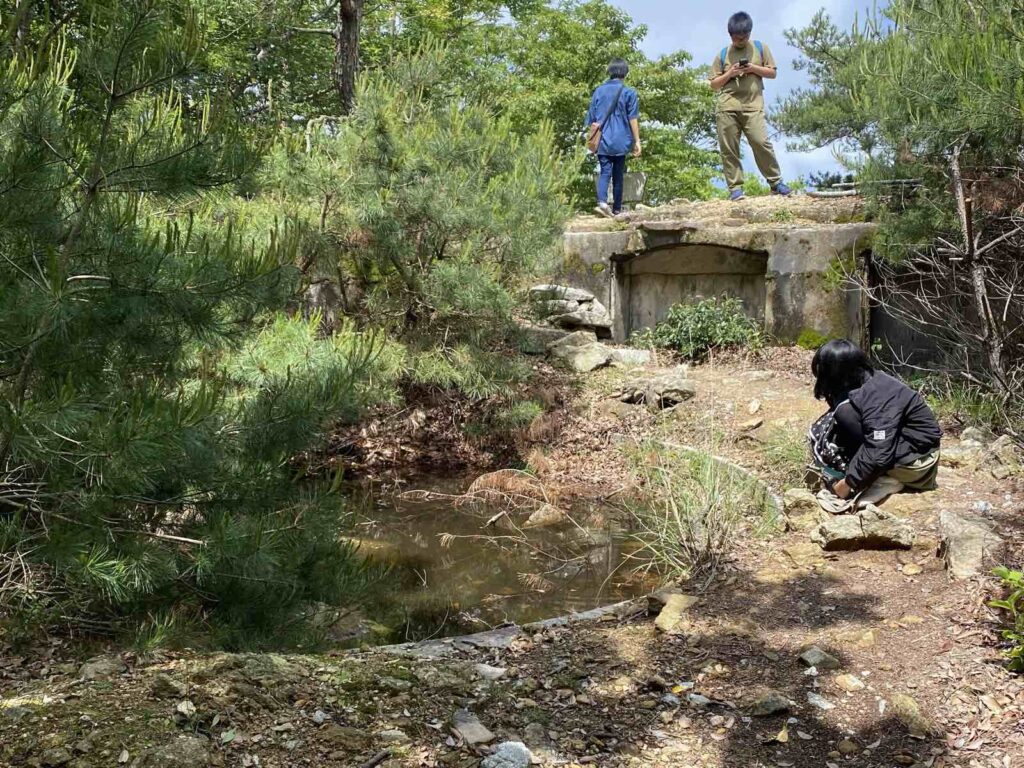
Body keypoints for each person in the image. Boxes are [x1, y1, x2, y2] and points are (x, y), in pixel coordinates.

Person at [810, 339, 942, 503]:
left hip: (917, 464)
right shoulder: (861, 380)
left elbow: (879, 452)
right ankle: (870, 473)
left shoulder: (878, 396)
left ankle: (887, 480)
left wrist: (848, 483)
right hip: (903, 447)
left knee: (845, 414)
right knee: (842, 413)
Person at [708, 12, 791, 201]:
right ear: (730, 36)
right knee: (729, 148)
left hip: (753, 106)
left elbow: (772, 73)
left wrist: (752, 68)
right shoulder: (723, 54)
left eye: (744, 37)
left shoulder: (761, 48)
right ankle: (735, 189)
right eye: (737, 38)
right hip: (727, 106)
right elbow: (713, 84)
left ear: (749, 33)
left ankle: (776, 182)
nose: (741, 41)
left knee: (761, 142)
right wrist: (730, 73)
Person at [584, 58, 641, 218]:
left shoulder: (598, 91)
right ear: (625, 73)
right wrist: (637, 141)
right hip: (621, 140)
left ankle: (602, 202)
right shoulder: (629, 92)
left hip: (602, 140)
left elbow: (591, 118)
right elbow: (633, 118)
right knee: (618, 174)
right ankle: (616, 209)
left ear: (610, 72)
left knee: (604, 172)